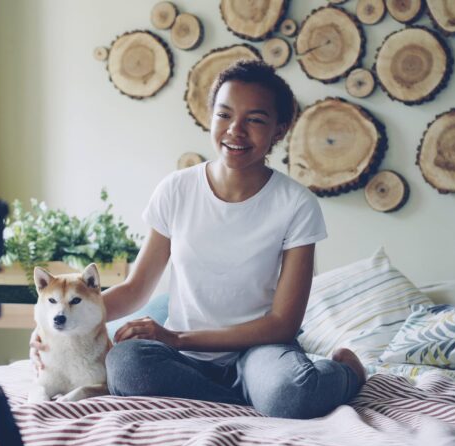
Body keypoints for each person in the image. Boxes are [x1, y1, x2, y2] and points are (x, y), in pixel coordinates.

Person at [31, 60, 365, 419]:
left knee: (289, 393)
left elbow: (283, 322)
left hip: (259, 350)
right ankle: (249, 399)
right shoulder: (177, 189)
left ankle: (347, 373)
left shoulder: (296, 203)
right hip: (181, 357)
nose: (235, 130)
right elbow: (136, 289)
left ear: (279, 130)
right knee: (126, 365)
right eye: (224, 115)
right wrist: (52, 327)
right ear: (211, 117)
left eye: (254, 119)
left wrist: (176, 339)